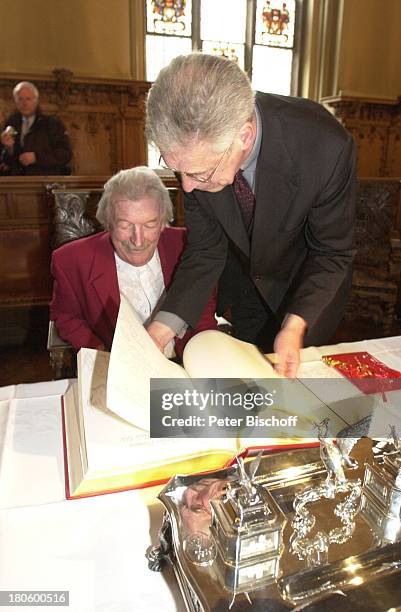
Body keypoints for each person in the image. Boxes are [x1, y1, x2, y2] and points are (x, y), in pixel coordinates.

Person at [145, 53, 356, 377]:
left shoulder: (324, 146)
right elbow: (205, 250)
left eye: (199, 173)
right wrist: (163, 326)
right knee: (247, 392)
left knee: (297, 394)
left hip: (308, 289)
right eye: (177, 171)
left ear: (243, 136)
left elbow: (331, 253)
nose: (187, 188)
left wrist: (296, 324)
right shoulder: (192, 152)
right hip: (245, 282)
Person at [50, 166, 217, 357]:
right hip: (118, 366)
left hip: (184, 360)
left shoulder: (192, 248)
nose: (138, 240)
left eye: (149, 224)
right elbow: (66, 317)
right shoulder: (72, 260)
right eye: (125, 225)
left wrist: (202, 360)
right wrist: (103, 354)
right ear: (108, 222)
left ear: (163, 221)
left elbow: (202, 310)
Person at [0, 81, 72, 175]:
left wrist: (36, 158)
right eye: (20, 99)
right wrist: (9, 148)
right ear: (15, 101)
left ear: (36, 100)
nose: (24, 103)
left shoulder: (52, 124)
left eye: (28, 99)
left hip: (45, 180)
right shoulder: (11, 123)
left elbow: (65, 154)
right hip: (18, 181)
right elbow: (7, 162)